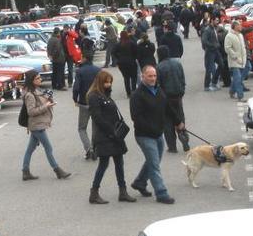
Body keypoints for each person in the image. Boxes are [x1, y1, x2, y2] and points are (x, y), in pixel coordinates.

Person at [129, 65, 184, 204]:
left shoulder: (158, 90)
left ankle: (140, 182)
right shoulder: (137, 95)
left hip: (158, 134)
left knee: (153, 161)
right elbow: (136, 117)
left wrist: (178, 121)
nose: (153, 78)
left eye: (154, 76)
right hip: (145, 136)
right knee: (154, 164)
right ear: (143, 77)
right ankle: (161, 193)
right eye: (150, 76)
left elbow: (167, 107)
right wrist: (152, 128)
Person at [86, 71, 137, 204]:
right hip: (105, 136)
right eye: (106, 82)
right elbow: (97, 118)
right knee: (103, 164)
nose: (108, 84)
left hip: (114, 136)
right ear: (100, 82)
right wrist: (111, 131)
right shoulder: (93, 96)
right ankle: (94, 192)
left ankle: (123, 191)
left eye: (110, 82)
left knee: (119, 163)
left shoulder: (105, 94)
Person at [20, 71, 71, 181]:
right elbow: (31, 112)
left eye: (39, 78)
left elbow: (40, 103)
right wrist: (46, 106)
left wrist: (48, 101)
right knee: (48, 148)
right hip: (37, 125)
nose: (40, 80)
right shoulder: (30, 95)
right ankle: (57, 170)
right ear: (31, 80)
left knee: (30, 149)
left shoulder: (35, 91)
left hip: (38, 124)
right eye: (37, 78)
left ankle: (25, 171)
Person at [156, 46, 189, 153]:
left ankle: (172, 146)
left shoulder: (159, 67)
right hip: (178, 95)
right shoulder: (177, 64)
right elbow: (182, 78)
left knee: (167, 122)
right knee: (180, 118)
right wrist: (182, 90)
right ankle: (184, 138)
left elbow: (158, 85)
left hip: (166, 97)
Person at [72, 55, 100, 160]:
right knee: (95, 126)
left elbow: (76, 87)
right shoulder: (98, 70)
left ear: (84, 59)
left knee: (82, 128)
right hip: (96, 102)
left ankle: (89, 149)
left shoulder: (80, 71)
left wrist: (75, 99)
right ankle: (95, 148)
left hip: (84, 103)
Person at [225, 21, 247, 102]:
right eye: (239, 25)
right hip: (234, 61)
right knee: (238, 79)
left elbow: (243, 48)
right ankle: (240, 96)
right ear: (235, 26)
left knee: (236, 79)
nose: (241, 26)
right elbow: (227, 48)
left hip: (242, 61)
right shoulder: (229, 36)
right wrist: (235, 56)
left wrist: (244, 57)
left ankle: (231, 91)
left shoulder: (240, 35)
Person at [114, 30, 139, 96]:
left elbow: (113, 52)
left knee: (126, 78)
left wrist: (118, 58)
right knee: (134, 77)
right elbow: (136, 51)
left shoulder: (118, 44)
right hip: (131, 62)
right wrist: (134, 57)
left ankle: (128, 93)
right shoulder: (131, 43)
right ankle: (133, 91)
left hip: (122, 63)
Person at [201, 16, 220, 91]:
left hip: (216, 50)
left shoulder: (215, 28)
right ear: (212, 21)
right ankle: (207, 86)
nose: (217, 22)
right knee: (209, 69)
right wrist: (212, 45)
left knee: (221, 64)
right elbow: (204, 41)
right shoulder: (207, 30)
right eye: (216, 20)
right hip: (210, 51)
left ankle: (214, 82)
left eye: (218, 20)